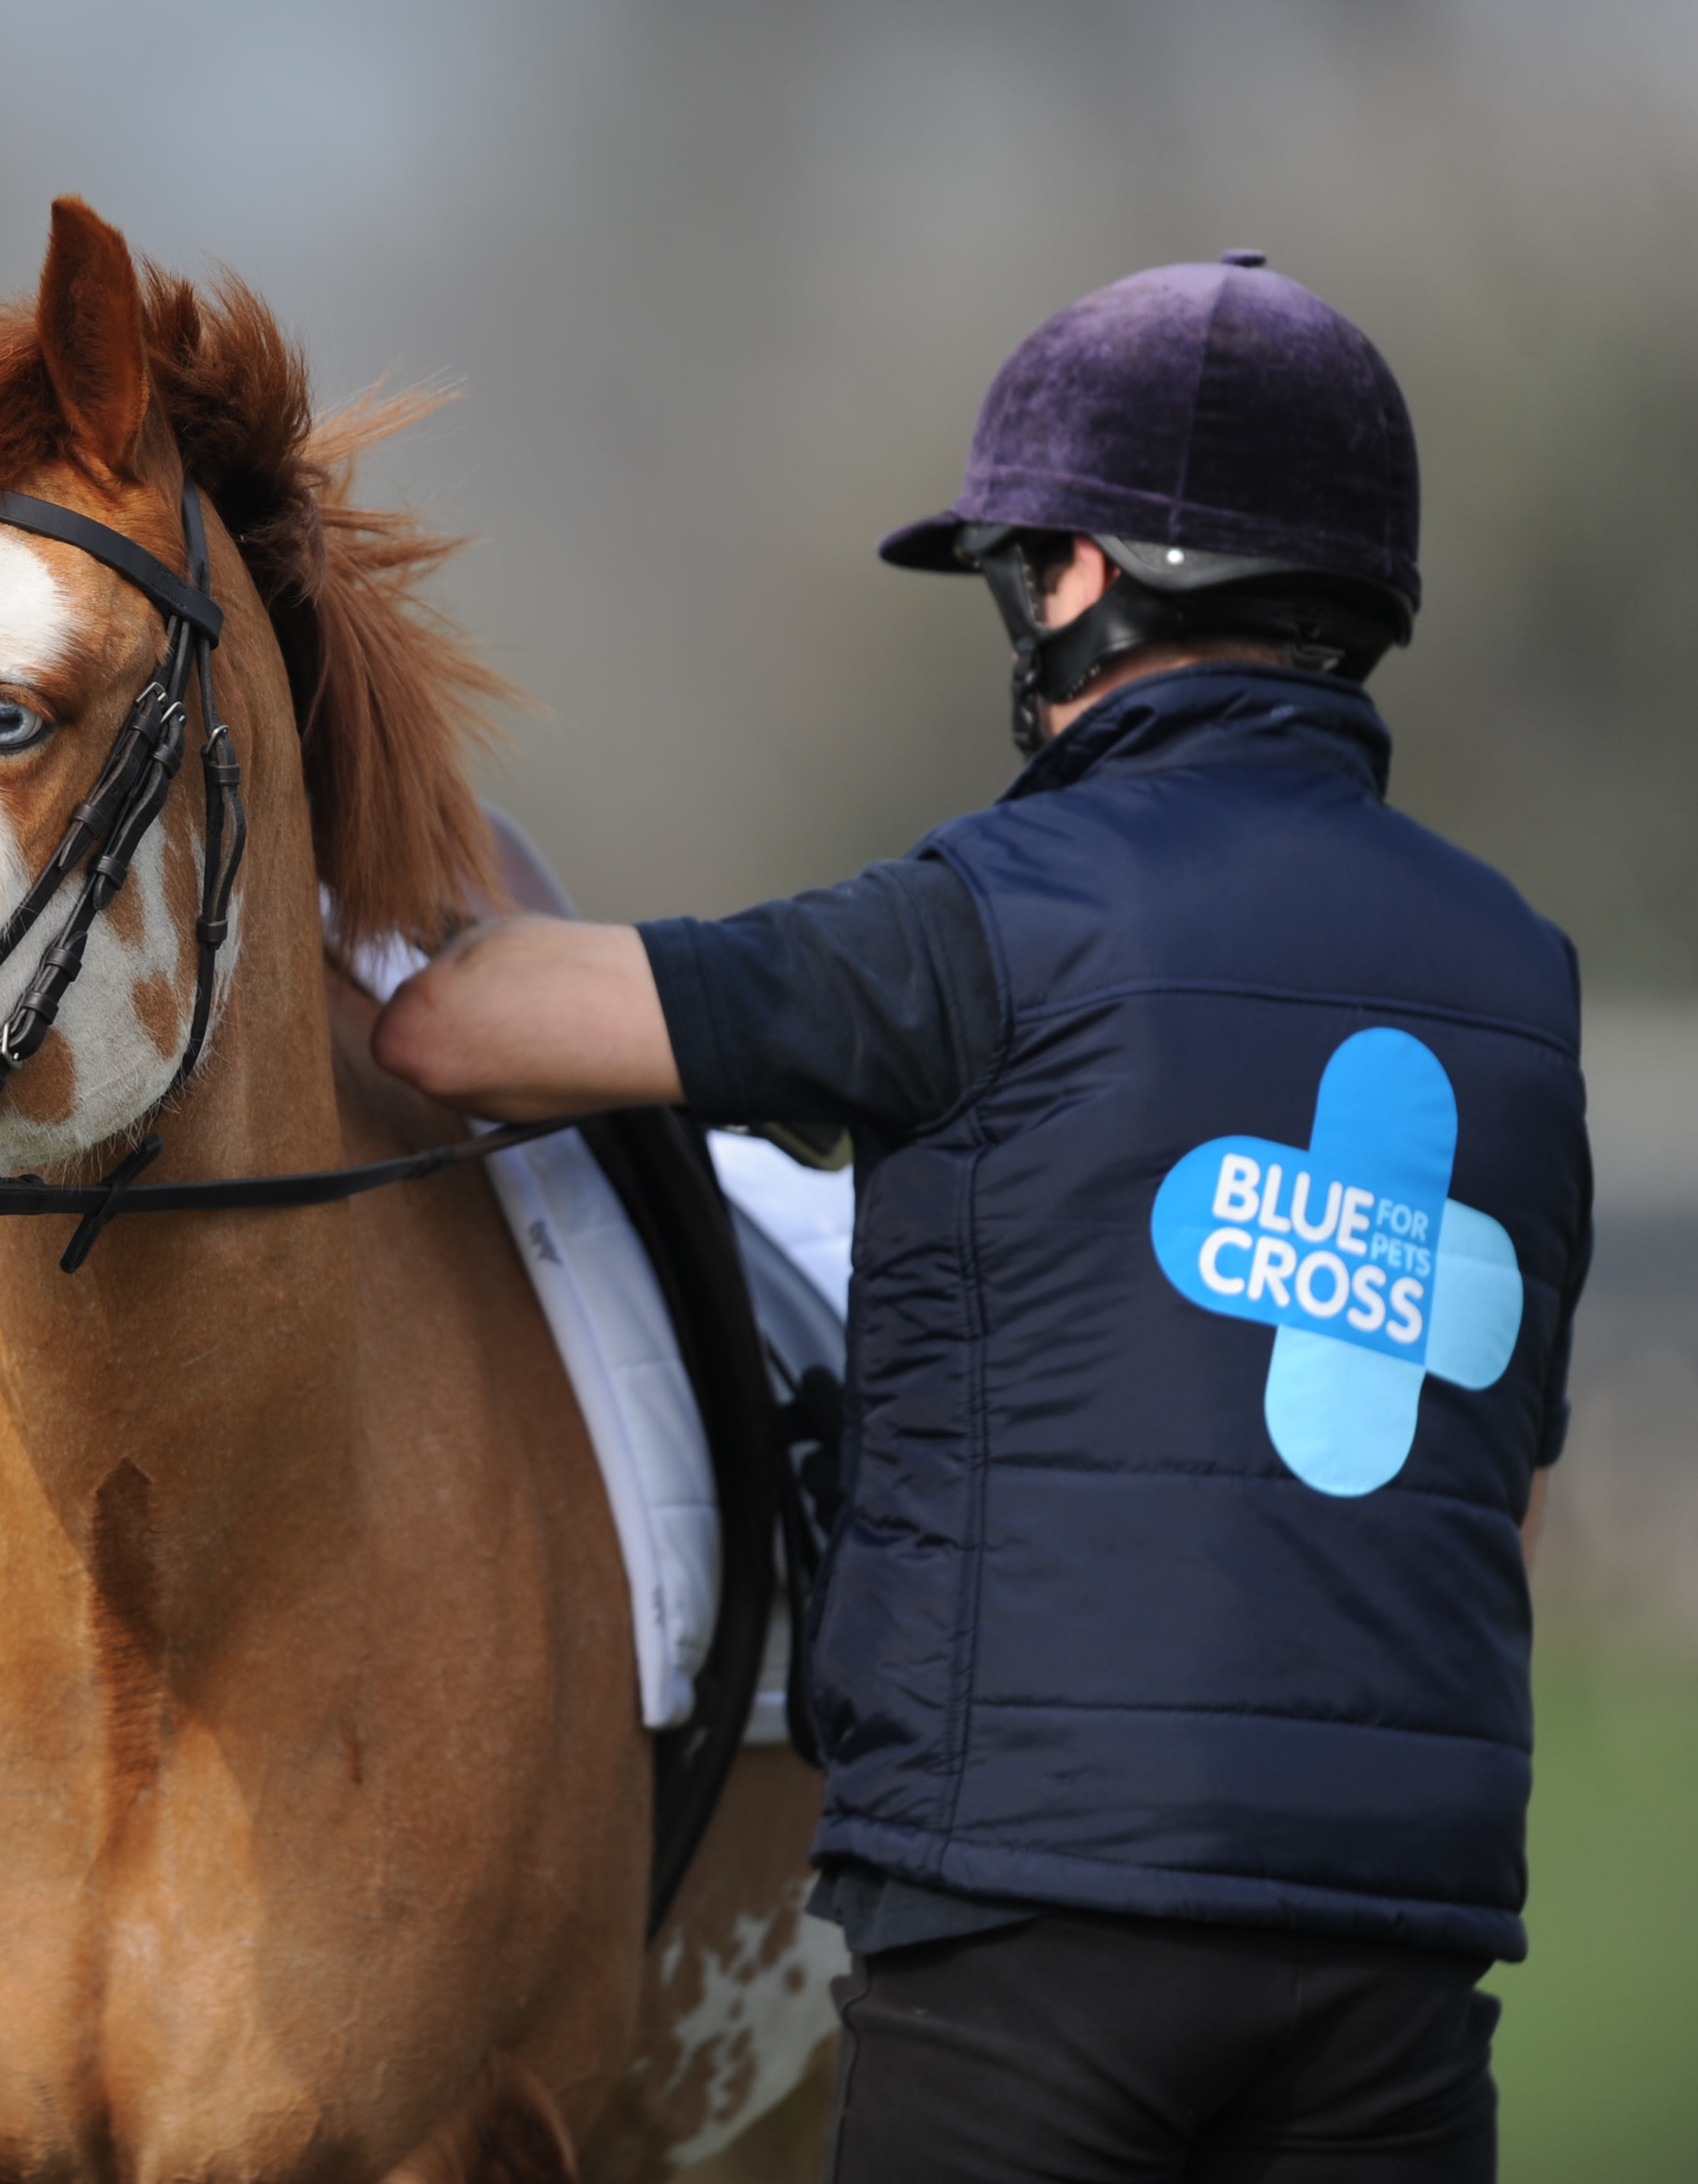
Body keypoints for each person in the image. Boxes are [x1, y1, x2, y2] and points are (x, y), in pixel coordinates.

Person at [374, 253, 1592, 2181]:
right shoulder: (1523, 980)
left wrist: (414, 820)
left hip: (1030, 1928)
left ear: (1085, 575)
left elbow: (459, 1030)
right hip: (1407, 1948)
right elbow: (1498, 1484)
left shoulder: (977, 918)